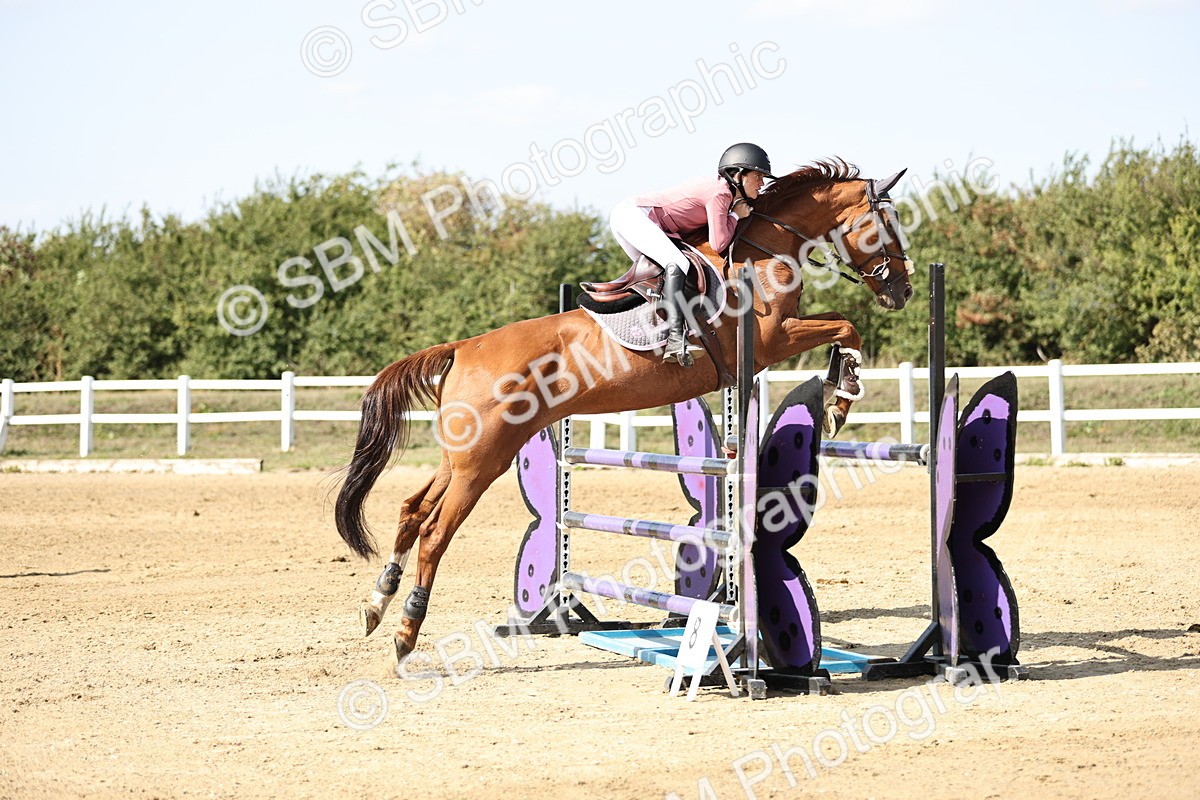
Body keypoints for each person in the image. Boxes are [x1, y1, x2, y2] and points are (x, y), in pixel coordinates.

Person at [609, 142, 774, 366]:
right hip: (635, 216)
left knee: (660, 275)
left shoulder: (723, 192)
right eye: (758, 176)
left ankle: (655, 329)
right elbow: (718, 244)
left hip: (634, 217)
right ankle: (676, 337)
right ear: (738, 175)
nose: (762, 183)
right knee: (677, 262)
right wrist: (735, 216)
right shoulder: (720, 193)